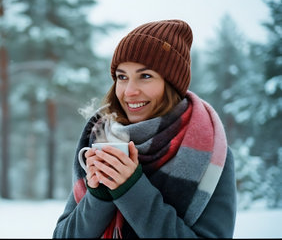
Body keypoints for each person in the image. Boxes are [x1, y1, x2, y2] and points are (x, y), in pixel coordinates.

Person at [53, 19, 237, 238]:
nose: (129, 91)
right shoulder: (100, 138)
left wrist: (131, 189)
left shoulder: (209, 153)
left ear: (171, 84)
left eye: (146, 76)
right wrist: (98, 196)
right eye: (122, 77)